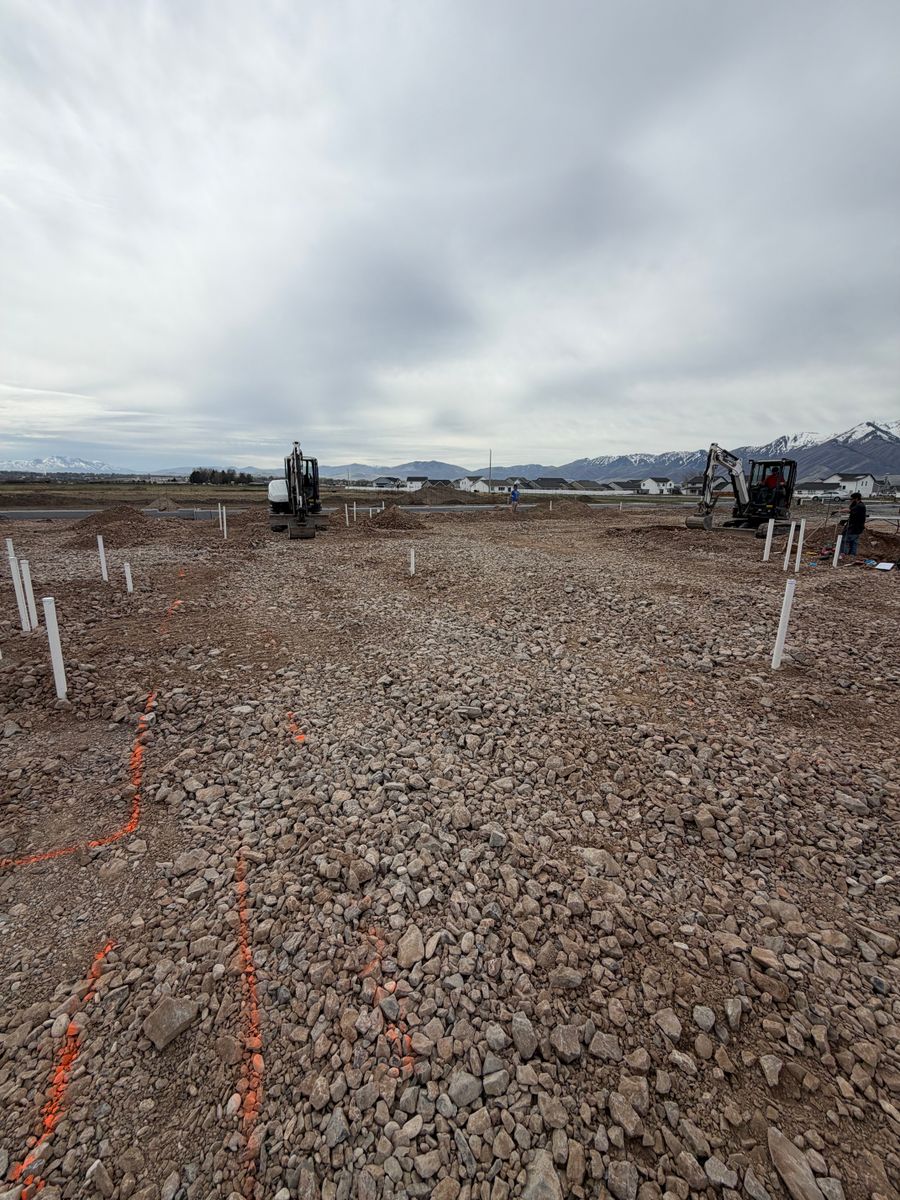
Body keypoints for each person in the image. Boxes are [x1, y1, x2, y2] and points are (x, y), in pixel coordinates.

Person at [841, 492, 866, 558]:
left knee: (846, 539)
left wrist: (838, 510)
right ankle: (852, 554)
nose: (851, 500)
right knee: (854, 541)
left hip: (855, 526)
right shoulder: (858, 505)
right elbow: (852, 511)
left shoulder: (860, 506)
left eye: (852, 499)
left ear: (856, 498)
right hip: (856, 526)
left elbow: (849, 510)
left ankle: (844, 554)